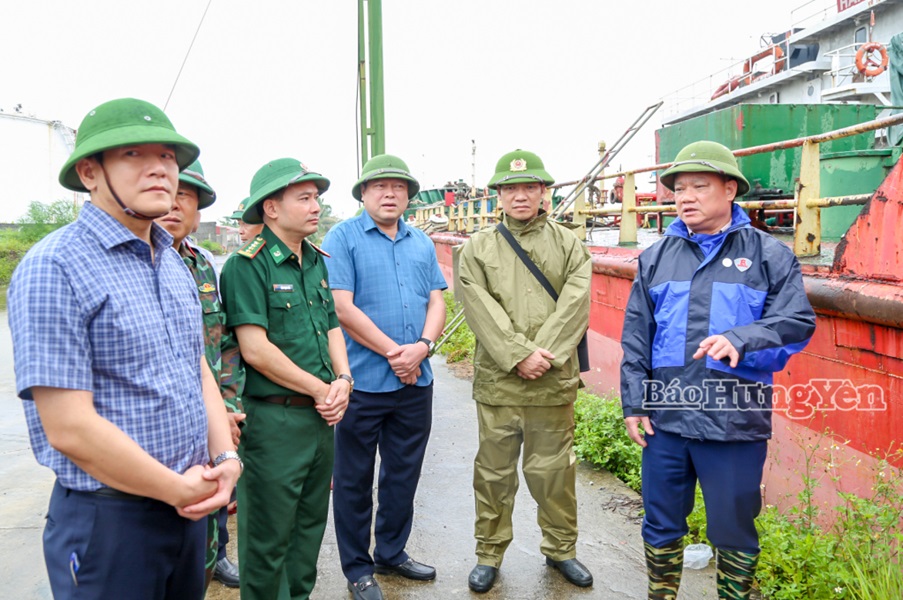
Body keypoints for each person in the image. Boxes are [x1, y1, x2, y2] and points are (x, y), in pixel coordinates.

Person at [8, 97, 241, 600]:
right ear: (90, 172)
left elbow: (195, 367)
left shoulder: (174, 263)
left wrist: (225, 456)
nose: (160, 168)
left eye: (169, 157)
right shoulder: (56, 267)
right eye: (134, 154)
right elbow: (69, 427)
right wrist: (176, 489)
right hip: (109, 519)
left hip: (187, 509)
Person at [620, 140, 816, 600]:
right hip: (666, 418)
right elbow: (636, 336)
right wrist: (635, 402)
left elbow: (796, 322)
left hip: (734, 419)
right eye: (679, 188)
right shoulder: (655, 257)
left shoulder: (769, 255)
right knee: (661, 519)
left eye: (699, 186)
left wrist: (741, 339)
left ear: (730, 189)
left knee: (733, 525)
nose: (685, 197)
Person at [458, 149, 594, 593]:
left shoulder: (569, 243)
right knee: (494, 473)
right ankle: (489, 553)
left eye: (529, 187)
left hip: (552, 382)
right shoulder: (477, 248)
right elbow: (477, 306)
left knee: (553, 471)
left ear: (543, 192)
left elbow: (577, 303)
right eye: (511, 188)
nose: (520, 196)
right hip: (500, 382)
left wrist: (546, 354)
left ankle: (561, 549)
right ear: (497, 195)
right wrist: (518, 354)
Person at [220, 157, 352, 600]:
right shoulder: (247, 265)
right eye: (305, 198)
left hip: (320, 420)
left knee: (309, 532)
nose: (316, 206)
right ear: (271, 208)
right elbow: (255, 350)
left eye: (317, 197)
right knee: (268, 540)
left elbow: (332, 326)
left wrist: (344, 381)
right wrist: (321, 390)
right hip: (275, 422)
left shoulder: (315, 260)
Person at [322, 154, 447, 600]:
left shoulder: (421, 242)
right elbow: (342, 307)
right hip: (362, 383)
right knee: (353, 479)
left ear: (410, 196)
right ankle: (357, 569)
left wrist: (424, 348)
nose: (389, 193)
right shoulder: (343, 237)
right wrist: (396, 353)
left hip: (416, 382)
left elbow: (436, 300)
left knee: (403, 473)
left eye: (398, 187)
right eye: (379, 187)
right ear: (363, 194)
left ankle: (391, 552)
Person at [155, 159, 246, 590]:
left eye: (186, 197)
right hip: (159, 429)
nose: (174, 205)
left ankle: (215, 555)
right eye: (170, 194)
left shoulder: (204, 265)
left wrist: (228, 411)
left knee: (213, 492)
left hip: (212, 416)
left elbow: (223, 343)